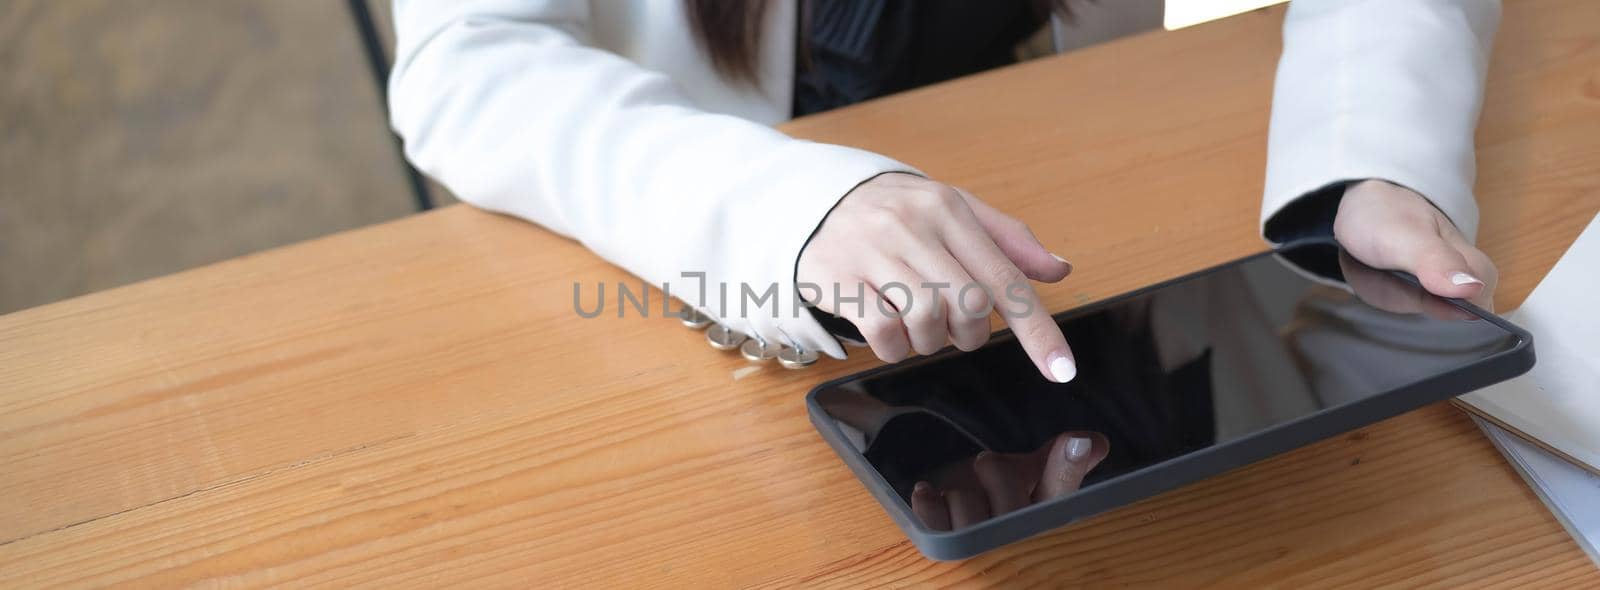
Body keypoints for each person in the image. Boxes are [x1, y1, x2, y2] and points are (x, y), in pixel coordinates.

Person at [387, 0, 1501, 384]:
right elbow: (469, 57)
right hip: (702, 256)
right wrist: (782, 212)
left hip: (1086, 213)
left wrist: (1368, 148)